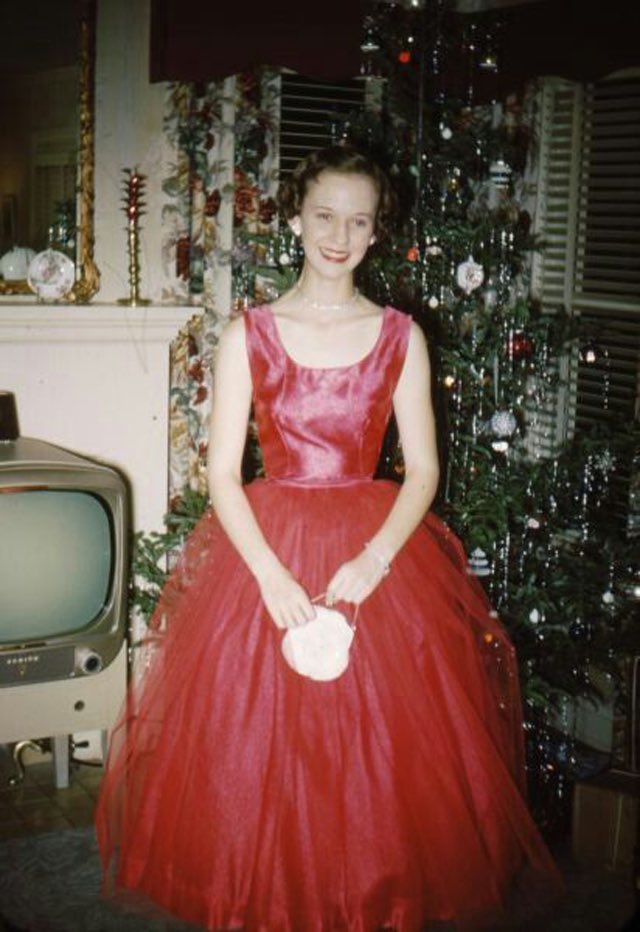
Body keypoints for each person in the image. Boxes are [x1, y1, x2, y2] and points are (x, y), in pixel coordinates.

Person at [96, 145, 563, 931]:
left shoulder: (399, 337)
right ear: (294, 218)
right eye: (324, 216)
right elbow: (220, 476)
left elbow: (422, 474)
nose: (339, 234)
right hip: (265, 557)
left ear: (377, 232)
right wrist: (272, 579)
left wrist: (376, 560)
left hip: (373, 560)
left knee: (373, 767)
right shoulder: (250, 335)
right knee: (260, 757)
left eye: (358, 220)